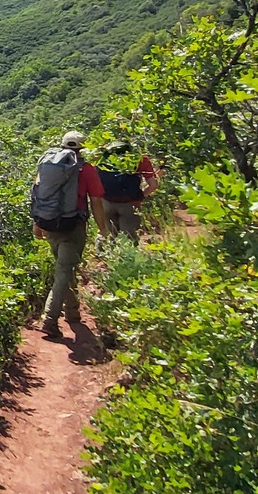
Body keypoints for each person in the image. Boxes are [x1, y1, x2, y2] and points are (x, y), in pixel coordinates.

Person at [29, 129, 105, 342]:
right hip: (73, 226)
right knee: (64, 270)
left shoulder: (47, 166)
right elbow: (96, 202)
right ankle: (49, 319)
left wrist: (37, 224)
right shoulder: (86, 169)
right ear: (83, 148)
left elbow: (36, 195)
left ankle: (72, 311)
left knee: (65, 267)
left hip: (49, 224)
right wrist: (103, 229)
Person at [93, 139, 160, 240]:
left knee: (107, 235)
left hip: (106, 202)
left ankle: (103, 253)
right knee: (129, 237)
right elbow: (153, 184)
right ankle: (128, 255)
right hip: (130, 204)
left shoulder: (100, 159)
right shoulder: (140, 160)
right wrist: (141, 196)